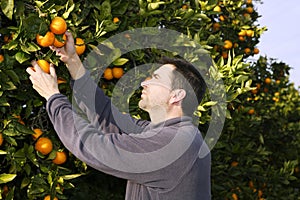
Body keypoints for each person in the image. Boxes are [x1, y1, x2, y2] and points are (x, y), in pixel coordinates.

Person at [27, 31, 211, 199]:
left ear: (177, 95)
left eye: (155, 79)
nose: (143, 84)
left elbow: (94, 146)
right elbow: (108, 117)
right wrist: (72, 60)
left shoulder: (176, 144)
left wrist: (53, 96)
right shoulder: (166, 134)